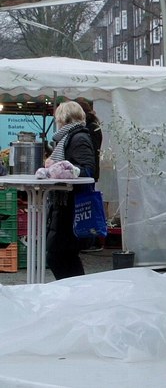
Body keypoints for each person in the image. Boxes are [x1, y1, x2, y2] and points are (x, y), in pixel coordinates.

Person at [45, 101, 96, 279]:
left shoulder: (78, 138)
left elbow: (88, 170)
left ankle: (77, 290)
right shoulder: (69, 137)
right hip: (65, 202)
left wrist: (63, 168)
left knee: (58, 255)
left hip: (71, 205)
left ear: (64, 118)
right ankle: (77, 289)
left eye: (58, 119)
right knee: (64, 255)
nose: (57, 122)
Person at [75, 98, 104, 253]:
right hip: (91, 172)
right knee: (86, 205)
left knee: (86, 206)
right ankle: (88, 238)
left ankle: (90, 239)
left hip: (88, 172)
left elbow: (89, 152)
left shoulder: (90, 128)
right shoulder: (93, 126)